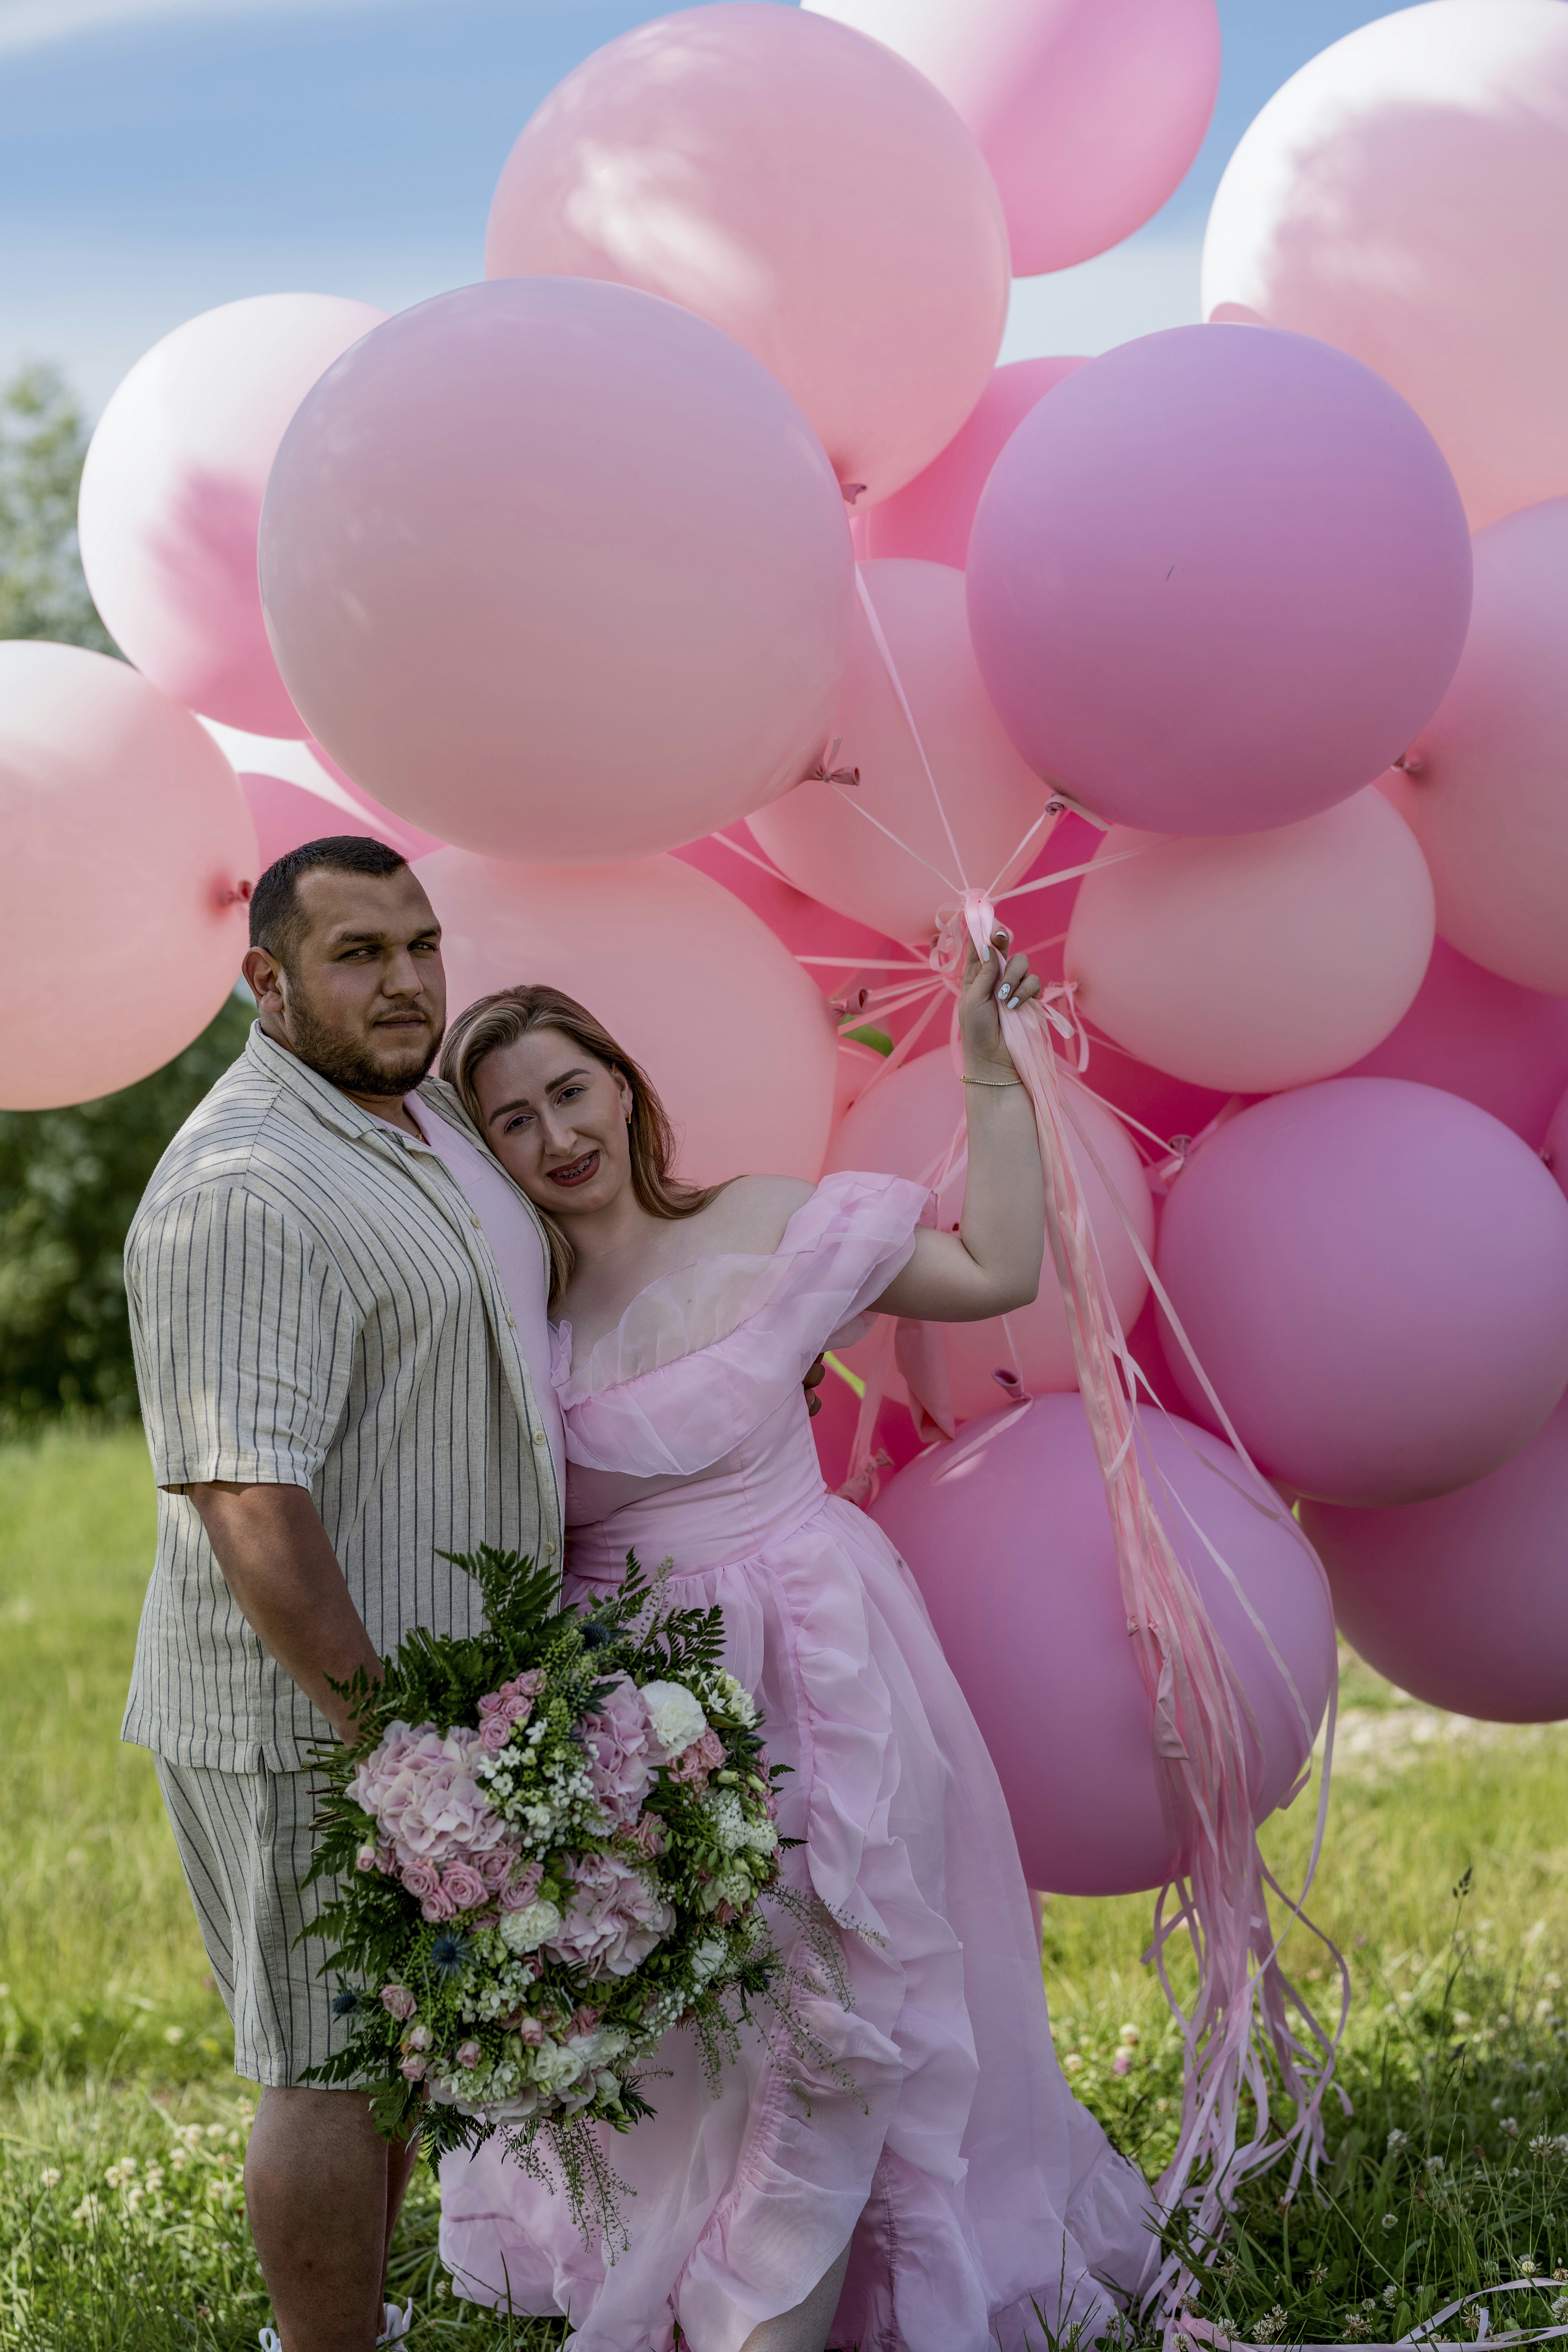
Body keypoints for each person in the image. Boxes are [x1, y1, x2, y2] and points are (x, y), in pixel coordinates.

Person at [434, 936, 1159, 2352]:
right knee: (702, 2014)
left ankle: (799, 2304)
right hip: (634, 1696)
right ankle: (715, 2271)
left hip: (818, 1649)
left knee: (840, 1984)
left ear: (625, 1090)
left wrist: (983, 1070)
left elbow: (995, 1260)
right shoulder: (515, 1319)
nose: (557, 1136)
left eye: (571, 1092)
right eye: (514, 1120)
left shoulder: (765, 1217)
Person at [121, 837, 568, 2352]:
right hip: (312, 1709)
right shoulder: (249, 1180)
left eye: (422, 943)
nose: (405, 981)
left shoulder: (416, 1113)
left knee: (388, 2048)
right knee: (322, 2062)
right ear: (265, 980)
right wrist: (386, 1737)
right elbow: (246, 1494)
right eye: (358, 954)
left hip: (425, 1699)